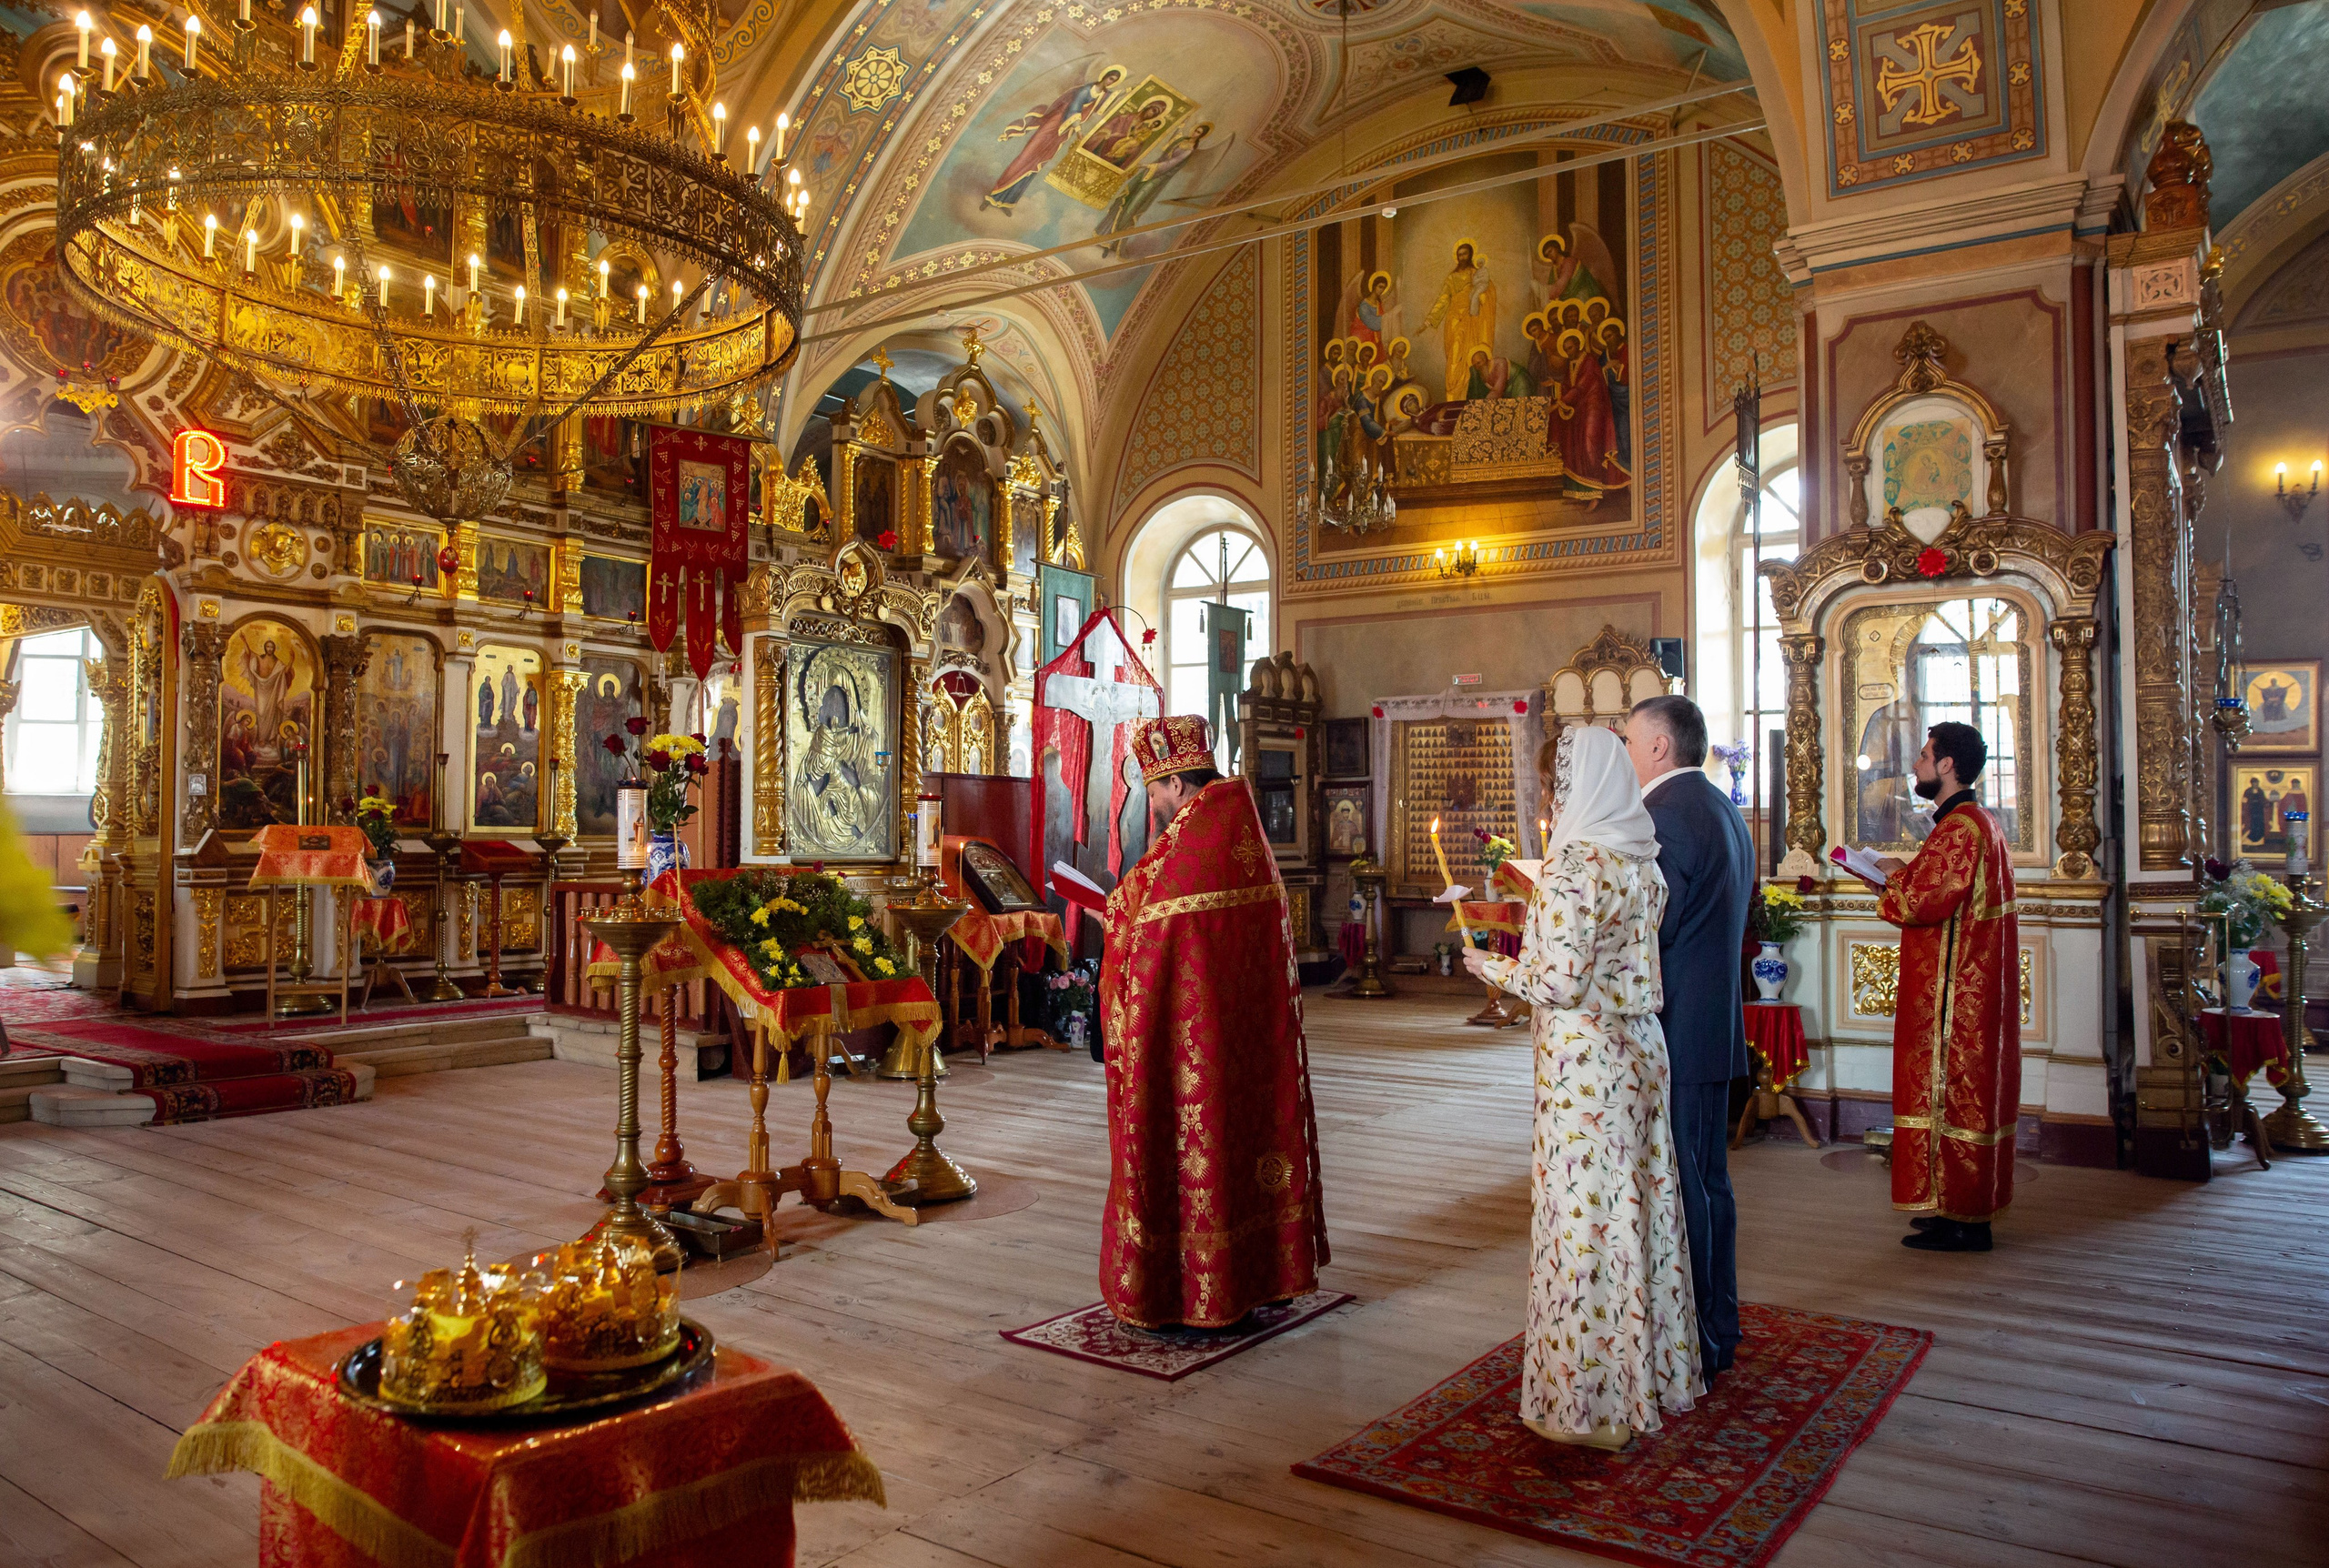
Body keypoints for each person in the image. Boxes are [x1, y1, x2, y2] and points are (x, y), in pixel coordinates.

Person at [1466, 723, 1700, 1450]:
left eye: (1555, 783)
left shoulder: (1574, 867)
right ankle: (1649, 1374)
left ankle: (1589, 1402)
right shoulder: (1642, 860)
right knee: (1641, 1207)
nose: (1550, 795)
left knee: (1584, 1221)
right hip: (1640, 1050)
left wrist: (1492, 969)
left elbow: (1559, 981)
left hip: (1585, 1067)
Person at [1097, 714, 1327, 1329]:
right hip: (1249, 1041)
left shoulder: (1197, 844)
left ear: (1176, 782)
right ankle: (1266, 1275)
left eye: (1155, 791)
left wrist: (1117, 923)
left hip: (1191, 1048)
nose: (1155, 805)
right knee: (1250, 1139)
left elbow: (1157, 935)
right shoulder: (1238, 830)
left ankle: (1192, 1292)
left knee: (1201, 1147)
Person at [1625, 693, 1755, 1383]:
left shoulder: (1665, 815)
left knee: (1687, 1185)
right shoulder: (1722, 806)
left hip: (1680, 1028)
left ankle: (1701, 1338)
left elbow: (1657, 927)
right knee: (1710, 1180)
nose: (1624, 755)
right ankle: (1721, 1323)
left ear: (1657, 748)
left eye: (1628, 740)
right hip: (1714, 1024)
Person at [1874, 721, 2019, 1252]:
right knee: (1950, 1099)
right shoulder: (1975, 823)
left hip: (1956, 998)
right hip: (1957, 989)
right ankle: (1949, 1204)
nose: (1915, 764)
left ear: (1948, 765)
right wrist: (1899, 872)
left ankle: (1967, 1219)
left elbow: (1921, 902)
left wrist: (1890, 876)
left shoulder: (1961, 828)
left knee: (1955, 1097)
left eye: (1924, 755)